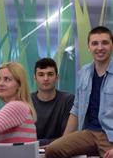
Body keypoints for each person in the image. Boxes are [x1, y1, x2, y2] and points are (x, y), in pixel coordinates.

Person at [45, 26, 113, 158]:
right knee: (53, 150)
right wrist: (63, 140)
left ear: (112, 45)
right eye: (94, 43)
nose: (100, 47)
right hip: (88, 132)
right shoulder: (84, 72)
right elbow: (76, 109)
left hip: (109, 136)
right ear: (88, 47)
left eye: (105, 42)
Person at [31, 58, 74, 146]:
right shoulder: (26, 101)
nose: (46, 79)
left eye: (50, 74)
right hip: (31, 152)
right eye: (41, 74)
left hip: (60, 151)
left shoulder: (69, 100)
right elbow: (24, 139)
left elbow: (67, 138)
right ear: (35, 78)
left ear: (57, 77)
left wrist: (36, 143)